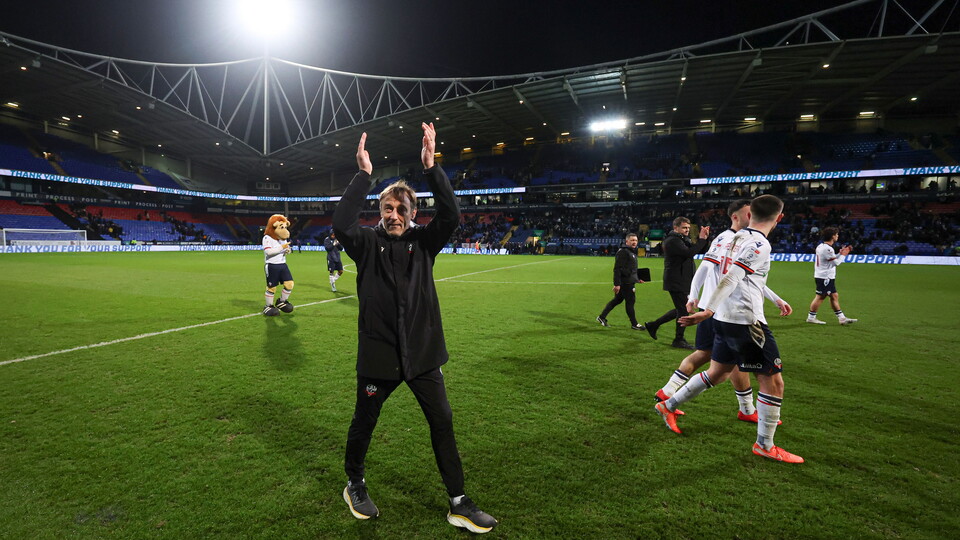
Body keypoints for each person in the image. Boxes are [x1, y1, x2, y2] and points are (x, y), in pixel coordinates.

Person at [332, 123, 497, 534]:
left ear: (413, 214)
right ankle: (354, 483)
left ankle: (458, 501)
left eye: (401, 209)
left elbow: (453, 214)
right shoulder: (365, 242)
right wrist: (363, 176)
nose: (393, 215)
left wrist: (431, 168)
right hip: (379, 355)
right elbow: (340, 223)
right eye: (388, 208)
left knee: (442, 422)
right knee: (364, 421)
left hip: (423, 356)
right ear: (380, 211)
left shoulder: (426, 242)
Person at [658, 195, 804, 464]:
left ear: (751, 215)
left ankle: (667, 405)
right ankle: (765, 445)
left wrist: (713, 308)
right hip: (745, 320)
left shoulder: (732, 238)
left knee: (718, 372)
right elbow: (732, 276)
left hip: (725, 317)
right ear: (779, 218)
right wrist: (708, 309)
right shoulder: (759, 243)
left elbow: (740, 276)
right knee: (773, 381)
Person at [643, 217, 710, 349]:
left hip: (682, 279)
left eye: (688, 228)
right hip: (676, 280)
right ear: (676, 228)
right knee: (683, 309)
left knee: (682, 308)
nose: (687, 230)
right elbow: (689, 253)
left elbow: (700, 250)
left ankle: (653, 325)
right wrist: (701, 240)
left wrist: (705, 239)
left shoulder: (681, 239)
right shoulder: (672, 241)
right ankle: (678, 339)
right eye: (684, 228)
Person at [806, 227, 857, 325]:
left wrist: (839, 253)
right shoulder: (828, 249)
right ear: (833, 236)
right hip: (825, 276)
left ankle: (842, 318)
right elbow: (836, 263)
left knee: (834, 295)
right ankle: (811, 317)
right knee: (820, 297)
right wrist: (843, 255)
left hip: (824, 275)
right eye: (836, 234)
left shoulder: (821, 246)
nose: (838, 236)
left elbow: (829, 259)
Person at [596, 233, 646, 330]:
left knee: (617, 300)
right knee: (630, 302)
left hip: (629, 281)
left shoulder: (631, 252)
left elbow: (631, 269)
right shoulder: (623, 252)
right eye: (632, 240)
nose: (634, 242)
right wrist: (617, 284)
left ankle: (601, 317)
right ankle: (634, 324)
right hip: (626, 283)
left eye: (635, 240)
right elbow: (617, 269)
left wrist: (637, 279)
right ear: (626, 241)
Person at [261, 214, 295, 316]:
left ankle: (281, 301)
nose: (284, 230)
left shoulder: (282, 238)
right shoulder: (267, 238)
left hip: (282, 264)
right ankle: (268, 306)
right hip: (272, 265)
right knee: (272, 287)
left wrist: (287, 250)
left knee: (290, 284)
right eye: (282, 227)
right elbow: (269, 252)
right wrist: (282, 248)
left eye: (285, 227)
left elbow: (283, 249)